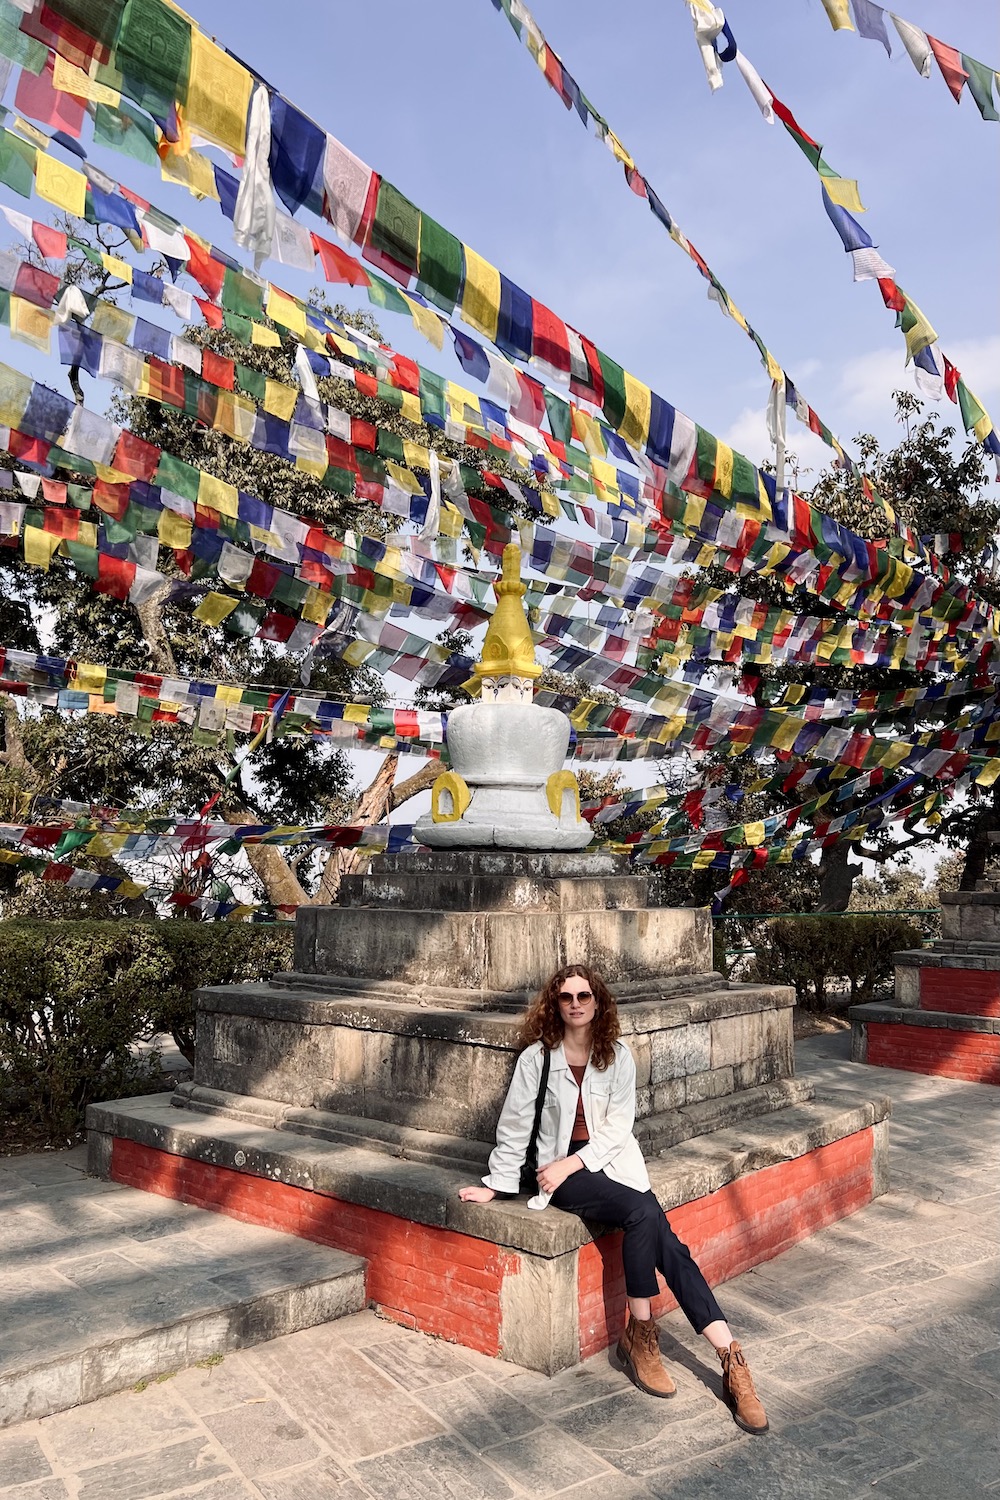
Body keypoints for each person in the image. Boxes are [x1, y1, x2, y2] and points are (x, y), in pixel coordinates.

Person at [459, 963, 768, 1434]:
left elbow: (619, 1128)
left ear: (598, 1002)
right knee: (645, 1213)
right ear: (555, 1005)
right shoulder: (537, 1059)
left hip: (609, 1163)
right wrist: (499, 1184)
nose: (576, 1004)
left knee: (665, 1241)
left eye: (584, 995)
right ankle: (647, 1337)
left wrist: (575, 1164)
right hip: (559, 1172)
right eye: (566, 997)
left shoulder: (617, 1056)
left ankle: (725, 1356)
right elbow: (515, 1125)